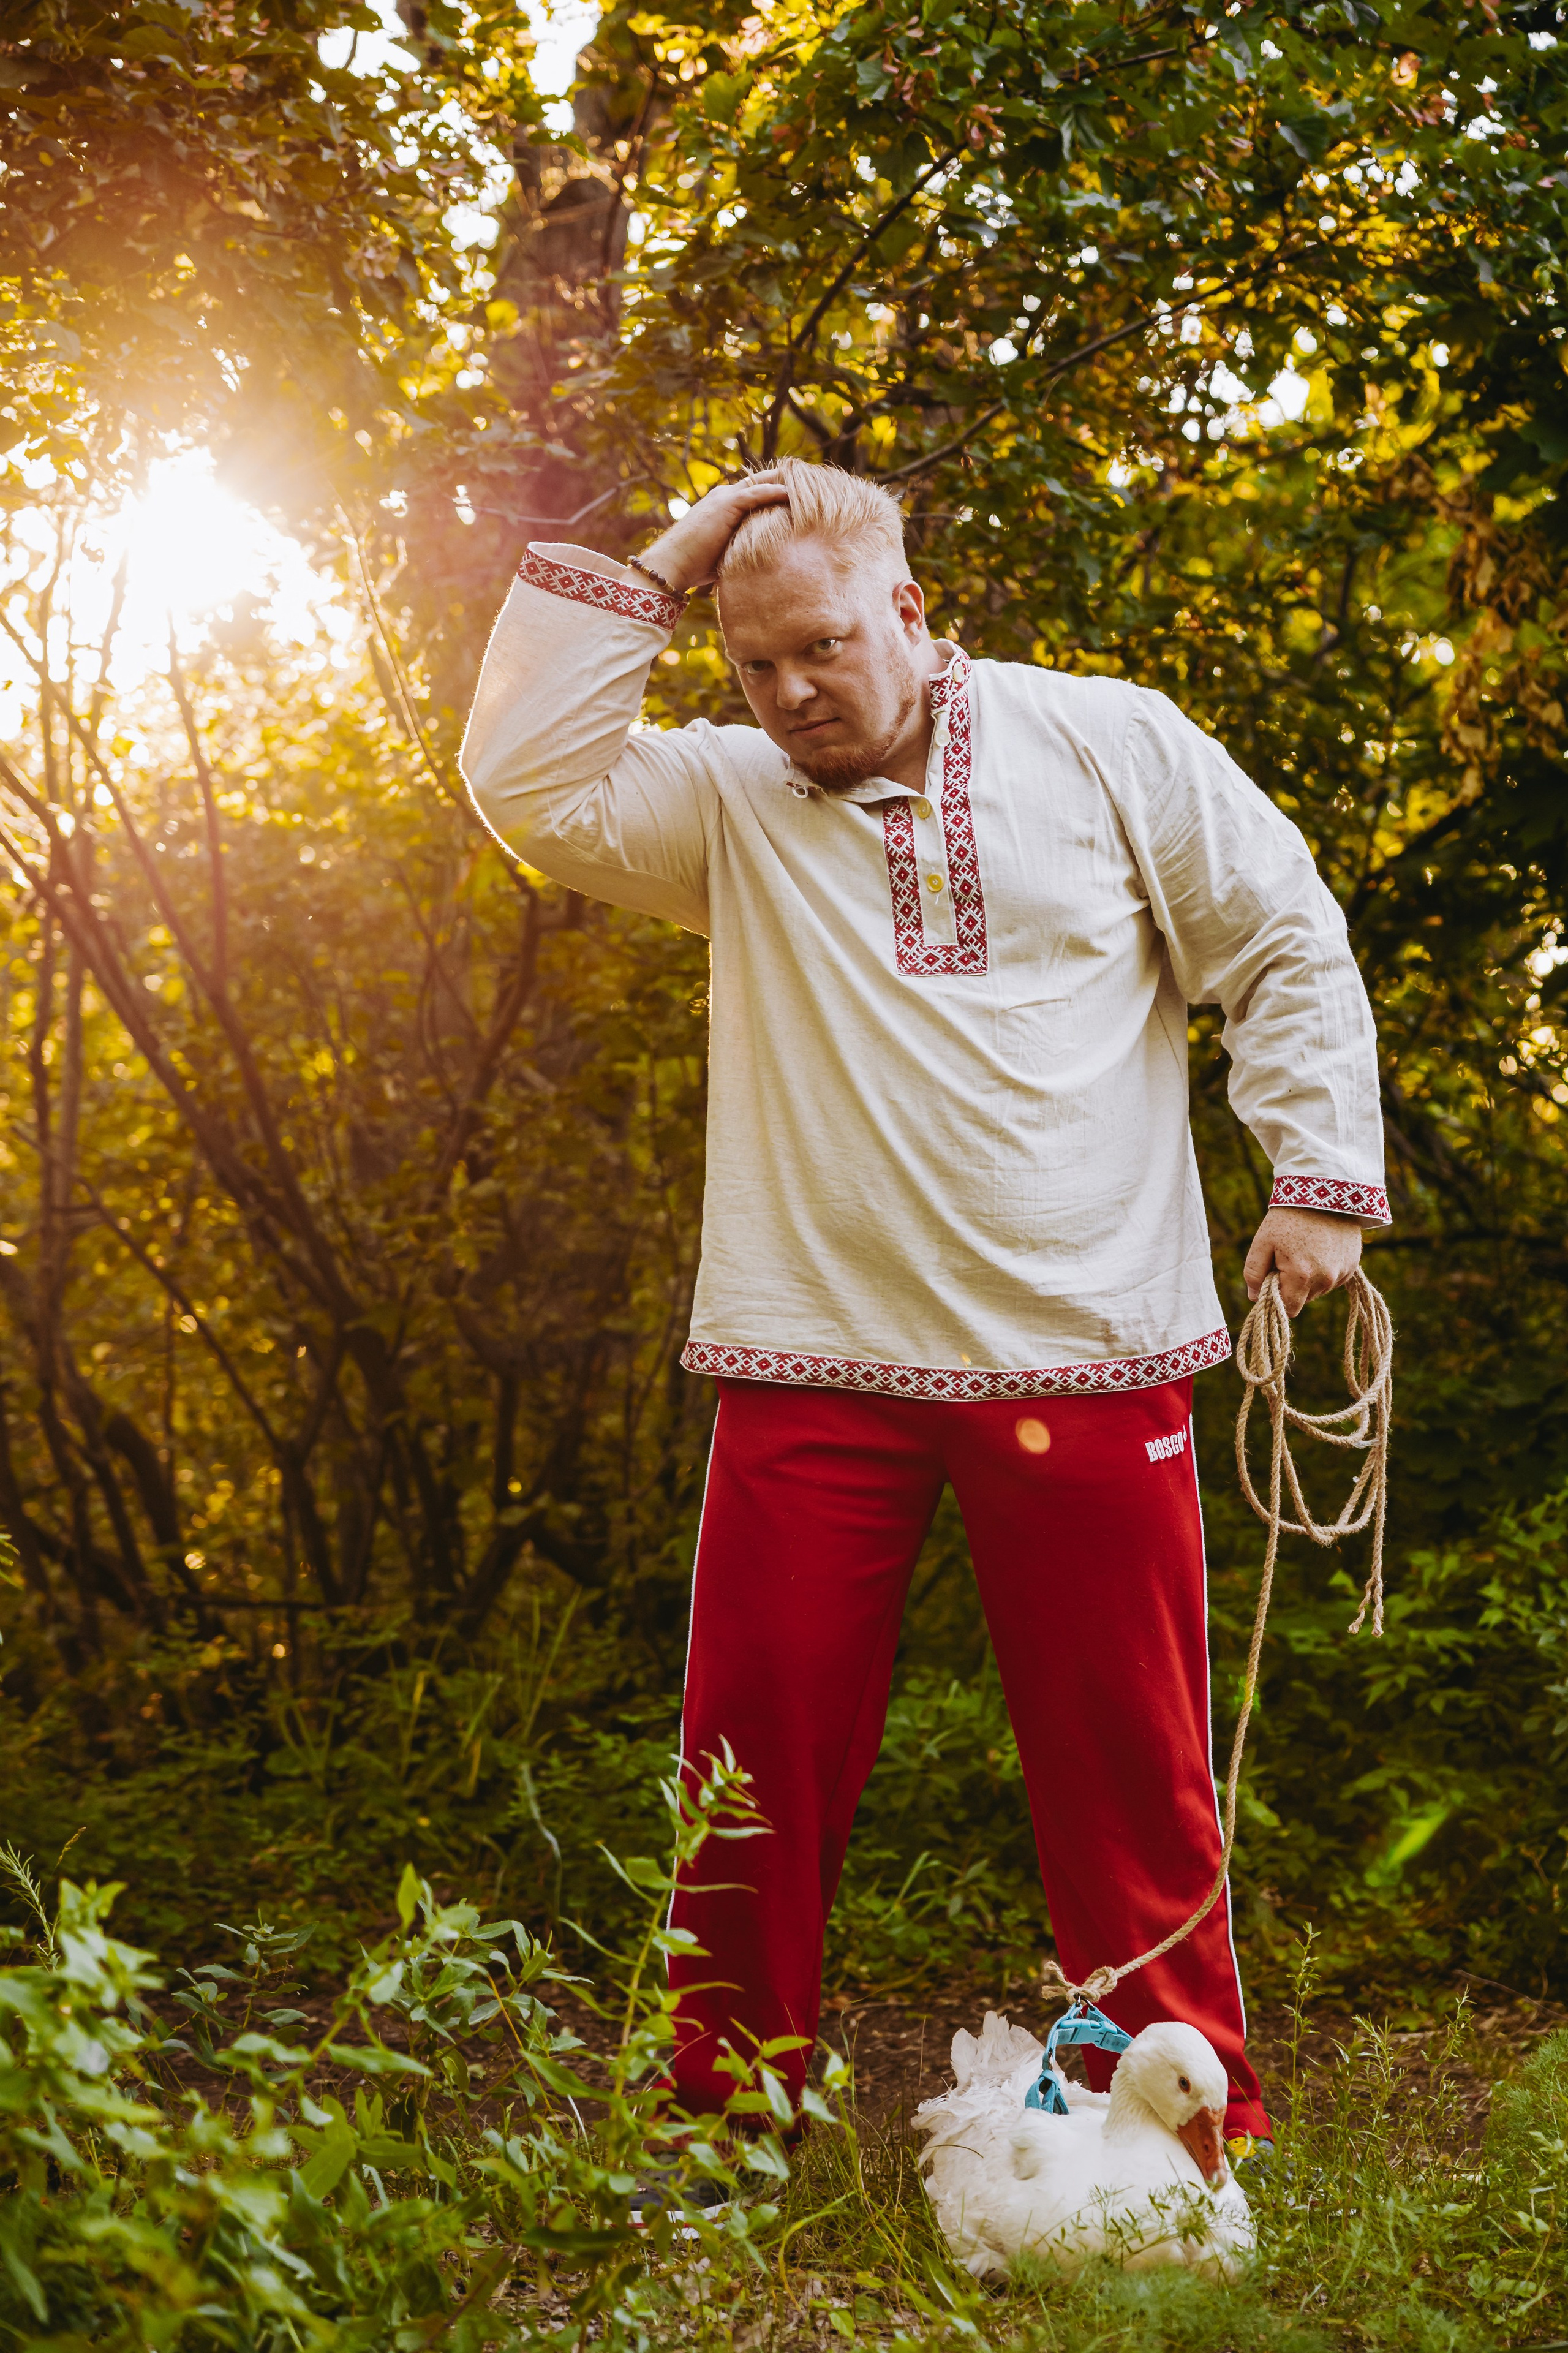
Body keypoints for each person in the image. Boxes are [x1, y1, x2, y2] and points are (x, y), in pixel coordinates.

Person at [459, 457, 1387, 2151]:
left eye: (821, 645)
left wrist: (1318, 1169)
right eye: (754, 664)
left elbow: (1278, 933)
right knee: (751, 1764)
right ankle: (724, 2121)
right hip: (814, 1351)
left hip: (1092, 1346)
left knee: (1130, 1767)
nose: (791, 692)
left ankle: (1187, 2135)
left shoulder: (1105, 740)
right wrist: (675, 554)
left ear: (907, 606)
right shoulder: (728, 799)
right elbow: (525, 777)